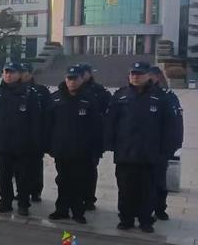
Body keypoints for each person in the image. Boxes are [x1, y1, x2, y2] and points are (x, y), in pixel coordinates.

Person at [104, 62, 177, 233]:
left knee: (148, 191)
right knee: (125, 189)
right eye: (133, 74)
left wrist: (166, 149)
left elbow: (169, 126)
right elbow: (110, 122)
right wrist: (110, 144)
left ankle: (146, 220)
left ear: (148, 75)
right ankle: (126, 219)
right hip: (125, 153)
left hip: (149, 154)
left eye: (139, 74)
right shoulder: (120, 95)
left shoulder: (160, 97)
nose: (135, 77)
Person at [45, 66, 103, 224]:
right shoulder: (55, 98)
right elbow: (48, 124)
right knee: (62, 180)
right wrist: (48, 146)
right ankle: (61, 209)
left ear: (81, 80)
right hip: (61, 148)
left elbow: (96, 126)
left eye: (75, 79)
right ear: (65, 79)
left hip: (82, 150)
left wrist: (96, 149)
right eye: (69, 78)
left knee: (79, 182)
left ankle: (78, 212)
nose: (72, 82)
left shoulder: (89, 99)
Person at [0, 62, 44, 216]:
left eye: (12, 72)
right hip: (4, 143)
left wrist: (35, 142)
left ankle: (23, 204)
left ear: (19, 74)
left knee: (23, 177)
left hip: (23, 144)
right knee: (4, 176)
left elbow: (35, 120)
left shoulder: (29, 94)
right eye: (6, 72)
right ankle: (5, 202)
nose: (8, 75)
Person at [149, 66, 184, 221]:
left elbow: (176, 123)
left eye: (149, 75)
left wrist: (175, 144)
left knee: (159, 180)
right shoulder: (136, 94)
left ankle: (159, 208)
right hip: (140, 146)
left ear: (157, 77)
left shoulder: (168, 96)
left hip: (160, 147)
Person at [79, 63, 113, 211]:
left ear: (89, 73)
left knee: (89, 170)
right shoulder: (69, 90)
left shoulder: (100, 92)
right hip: (73, 138)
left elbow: (108, 115)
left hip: (92, 139)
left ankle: (88, 199)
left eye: (83, 72)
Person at [20, 63, 50, 203]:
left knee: (35, 164)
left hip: (37, 134)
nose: (22, 74)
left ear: (30, 74)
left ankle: (36, 191)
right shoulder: (14, 90)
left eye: (24, 71)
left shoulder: (41, 90)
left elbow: (47, 113)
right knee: (19, 167)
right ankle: (22, 191)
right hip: (20, 135)